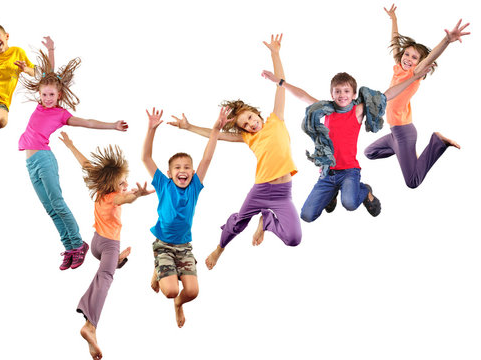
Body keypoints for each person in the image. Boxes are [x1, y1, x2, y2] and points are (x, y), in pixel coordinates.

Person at [168, 34, 301, 271]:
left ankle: (267, 220)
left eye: (250, 118)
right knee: (240, 222)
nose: (250, 124)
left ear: (257, 113)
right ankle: (219, 249)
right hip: (261, 189)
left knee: (293, 239)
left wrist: (275, 53)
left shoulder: (276, 119)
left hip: (283, 192)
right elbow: (216, 134)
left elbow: (281, 83)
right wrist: (188, 127)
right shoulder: (248, 137)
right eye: (245, 125)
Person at [261, 52, 432, 223]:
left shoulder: (357, 111)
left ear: (353, 94)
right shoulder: (326, 110)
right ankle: (331, 193)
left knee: (350, 203)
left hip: (349, 171)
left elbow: (388, 94)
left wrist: (414, 77)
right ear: (332, 94)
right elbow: (302, 95)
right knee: (306, 216)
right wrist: (280, 82)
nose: (342, 95)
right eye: (337, 91)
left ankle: (364, 191)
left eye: (346, 91)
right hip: (327, 173)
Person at [18, 38, 128, 270]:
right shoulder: (41, 104)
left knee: (57, 203)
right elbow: (49, 75)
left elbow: (87, 122)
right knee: (49, 208)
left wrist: (112, 125)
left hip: (44, 160)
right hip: (30, 164)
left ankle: (79, 244)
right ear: (39, 94)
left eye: (51, 95)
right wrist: (49, 50)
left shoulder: (60, 113)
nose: (47, 98)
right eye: (44, 94)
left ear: (59, 96)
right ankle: (69, 247)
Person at [59, 132, 153, 360]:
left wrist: (71, 145)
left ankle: (116, 260)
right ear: (112, 184)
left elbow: (85, 164)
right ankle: (90, 326)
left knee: (106, 270)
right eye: (122, 183)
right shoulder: (115, 196)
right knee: (106, 278)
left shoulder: (102, 188)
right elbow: (125, 199)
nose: (126, 185)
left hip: (96, 244)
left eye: (126, 181)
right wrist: (137, 196)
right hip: (109, 245)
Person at [364, 5, 469, 188]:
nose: (408, 59)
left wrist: (447, 40)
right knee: (369, 153)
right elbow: (396, 42)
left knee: (412, 181)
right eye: (407, 54)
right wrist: (394, 18)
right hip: (394, 134)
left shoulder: (415, 74)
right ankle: (400, 151)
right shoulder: (399, 67)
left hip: (405, 133)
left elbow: (430, 58)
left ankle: (438, 142)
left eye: (414, 57)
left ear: (418, 63)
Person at [142, 106, 227, 328]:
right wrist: (151, 129)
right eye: (178, 167)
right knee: (169, 290)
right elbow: (146, 157)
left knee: (192, 291)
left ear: (192, 172)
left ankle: (178, 305)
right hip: (163, 245)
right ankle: (159, 269)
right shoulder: (163, 184)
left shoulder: (194, 187)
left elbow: (207, 159)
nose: (184, 170)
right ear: (169, 173)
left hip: (184, 247)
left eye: (187, 167)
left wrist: (216, 129)